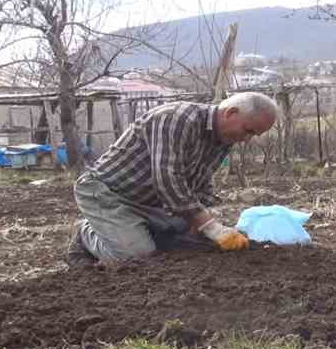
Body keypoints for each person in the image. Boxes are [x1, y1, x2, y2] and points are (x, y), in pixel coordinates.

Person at [67, 92, 279, 266]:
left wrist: (199, 223)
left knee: (191, 243)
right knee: (137, 258)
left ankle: (135, 231)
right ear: (231, 113)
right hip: (108, 193)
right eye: (248, 130)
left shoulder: (223, 137)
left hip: (153, 202)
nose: (246, 139)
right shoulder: (176, 118)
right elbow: (167, 179)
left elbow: (201, 182)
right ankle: (86, 233)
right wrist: (210, 225)